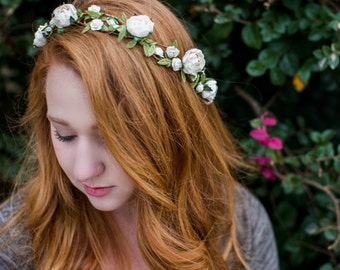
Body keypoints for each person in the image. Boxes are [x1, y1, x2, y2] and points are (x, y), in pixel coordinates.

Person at [0, 0, 279, 269]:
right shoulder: (14, 242)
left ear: (172, 126)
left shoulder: (238, 227)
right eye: (64, 135)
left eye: (112, 138)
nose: (84, 171)